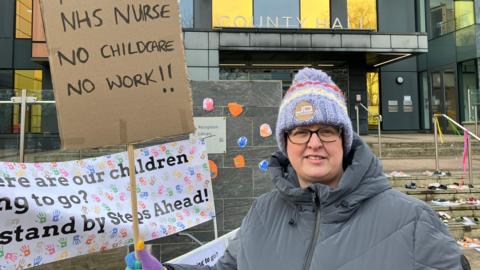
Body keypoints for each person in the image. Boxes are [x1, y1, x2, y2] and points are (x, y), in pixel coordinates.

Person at [126, 68, 467, 270]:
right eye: (301, 131)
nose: (314, 143)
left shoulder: (413, 221)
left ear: (345, 139)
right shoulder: (261, 214)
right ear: (285, 143)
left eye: (327, 130)